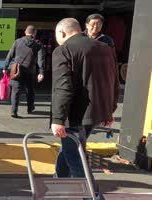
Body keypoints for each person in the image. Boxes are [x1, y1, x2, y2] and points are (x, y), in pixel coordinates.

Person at [51, 18, 119, 200]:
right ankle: (58, 182)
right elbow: (114, 81)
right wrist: (110, 109)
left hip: (75, 114)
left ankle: (93, 196)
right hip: (98, 113)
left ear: (62, 33)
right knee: (69, 148)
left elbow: (63, 87)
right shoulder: (104, 48)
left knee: (74, 154)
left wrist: (57, 119)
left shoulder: (63, 50)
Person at [3, 25, 45, 118]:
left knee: (16, 91)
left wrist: (5, 67)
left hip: (17, 70)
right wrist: (41, 72)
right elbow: (40, 59)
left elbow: (10, 55)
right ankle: (30, 108)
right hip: (30, 71)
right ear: (34, 33)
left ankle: (14, 111)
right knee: (30, 90)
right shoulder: (38, 44)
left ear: (25, 32)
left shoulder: (17, 42)